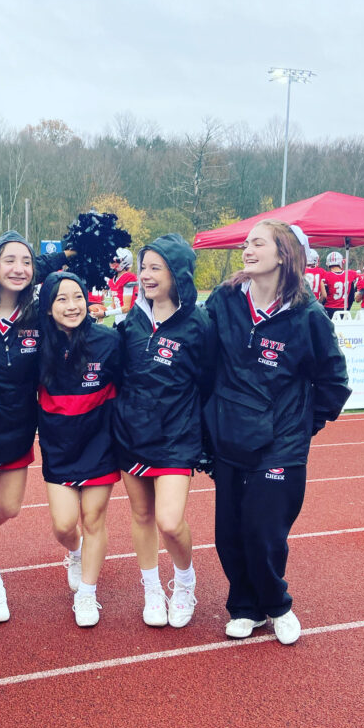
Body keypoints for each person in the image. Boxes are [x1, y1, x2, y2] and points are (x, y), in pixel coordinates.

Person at [204, 220, 350, 645]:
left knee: (263, 530)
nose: (247, 249)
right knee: (229, 533)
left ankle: (277, 604)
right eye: (246, 243)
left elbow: (334, 382)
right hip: (230, 435)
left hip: (281, 444)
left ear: (284, 253)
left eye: (257, 243)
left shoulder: (308, 316)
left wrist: (304, 425)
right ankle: (244, 607)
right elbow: (204, 360)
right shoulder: (225, 300)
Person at [0, 231, 63, 623]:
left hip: (19, 424)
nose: (18, 269)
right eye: (9, 260)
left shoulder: (39, 314)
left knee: (9, 507)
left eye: (26, 262)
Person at [113, 234, 213, 629]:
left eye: (156, 268)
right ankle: (152, 589)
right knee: (141, 516)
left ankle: (185, 581)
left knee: (169, 521)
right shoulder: (131, 320)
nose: (146, 275)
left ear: (178, 274)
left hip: (177, 438)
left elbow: (208, 381)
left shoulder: (199, 324)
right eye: (144, 267)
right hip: (131, 436)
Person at [37, 270, 121, 628]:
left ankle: (87, 593)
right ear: (48, 306)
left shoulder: (109, 342)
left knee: (93, 519)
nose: (72, 306)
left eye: (77, 297)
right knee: (63, 524)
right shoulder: (37, 346)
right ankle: (75, 553)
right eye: (61, 299)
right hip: (58, 446)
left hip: (100, 444)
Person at [106, 248, 138, 317]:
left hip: (129, 320)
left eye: (115, 261)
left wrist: (105, 313)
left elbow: (126, 308)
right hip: (119, 319)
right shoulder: (113, 279)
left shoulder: (128, 277)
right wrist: (103, 310)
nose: (112, 263)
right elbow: (114, 305)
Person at [322, 251, 355, 318]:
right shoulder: (349, 274)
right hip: (344, 309)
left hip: (329, 309)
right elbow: (351, 296)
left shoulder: (326, 275)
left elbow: (324, 295)